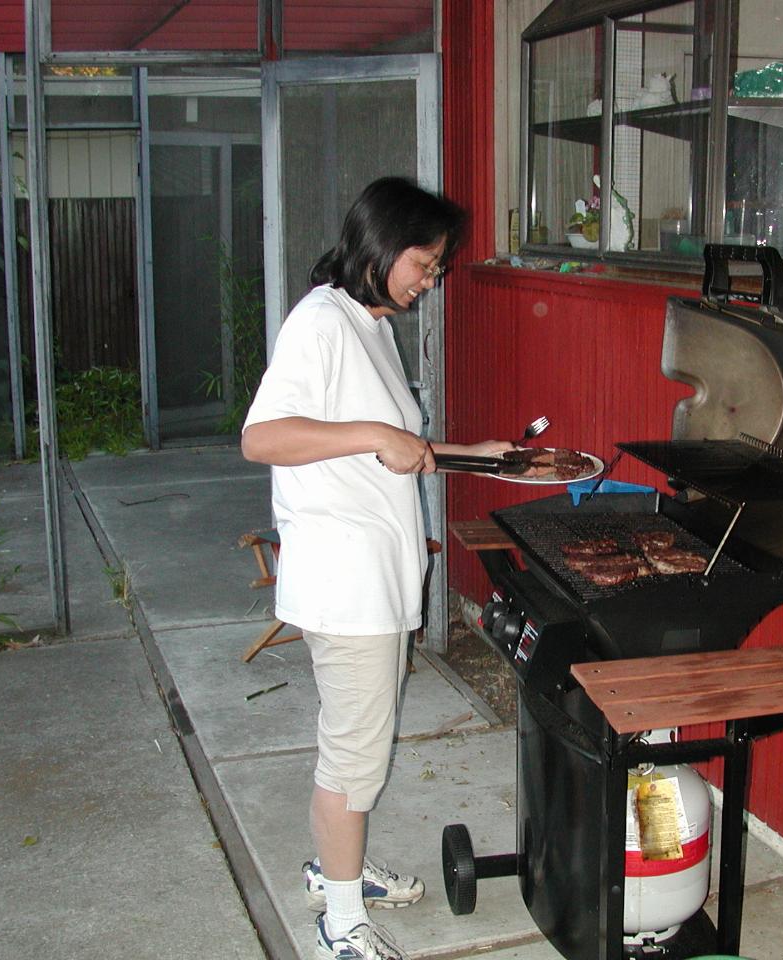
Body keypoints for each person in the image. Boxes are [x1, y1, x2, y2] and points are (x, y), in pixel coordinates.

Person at [241, 177, 512, 960]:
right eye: (425, 261)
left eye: (438, 264)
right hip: (346, 581)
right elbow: (264, 436)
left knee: (363, 742)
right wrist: (371, 432)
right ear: (382, 245)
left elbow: (392, 451)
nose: (434, 277)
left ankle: (339, 874)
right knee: (356, 754)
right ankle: (339, 924)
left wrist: (474, 454)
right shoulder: (321, 322)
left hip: (382, 579)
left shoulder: (371, 324)